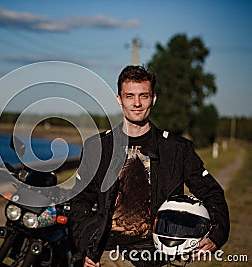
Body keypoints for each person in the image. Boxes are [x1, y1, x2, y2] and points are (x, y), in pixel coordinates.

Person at [69, 65, 230, 267]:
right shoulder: (97, 148)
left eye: (143, 96)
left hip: (157, 255)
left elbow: (212, 193)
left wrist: (217, 234)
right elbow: (79, 203)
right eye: (129, 96)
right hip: (107, 254)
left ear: (153, 99)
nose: (137, 103)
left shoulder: (177, 149)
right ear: (119, 99)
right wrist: (86, 248)